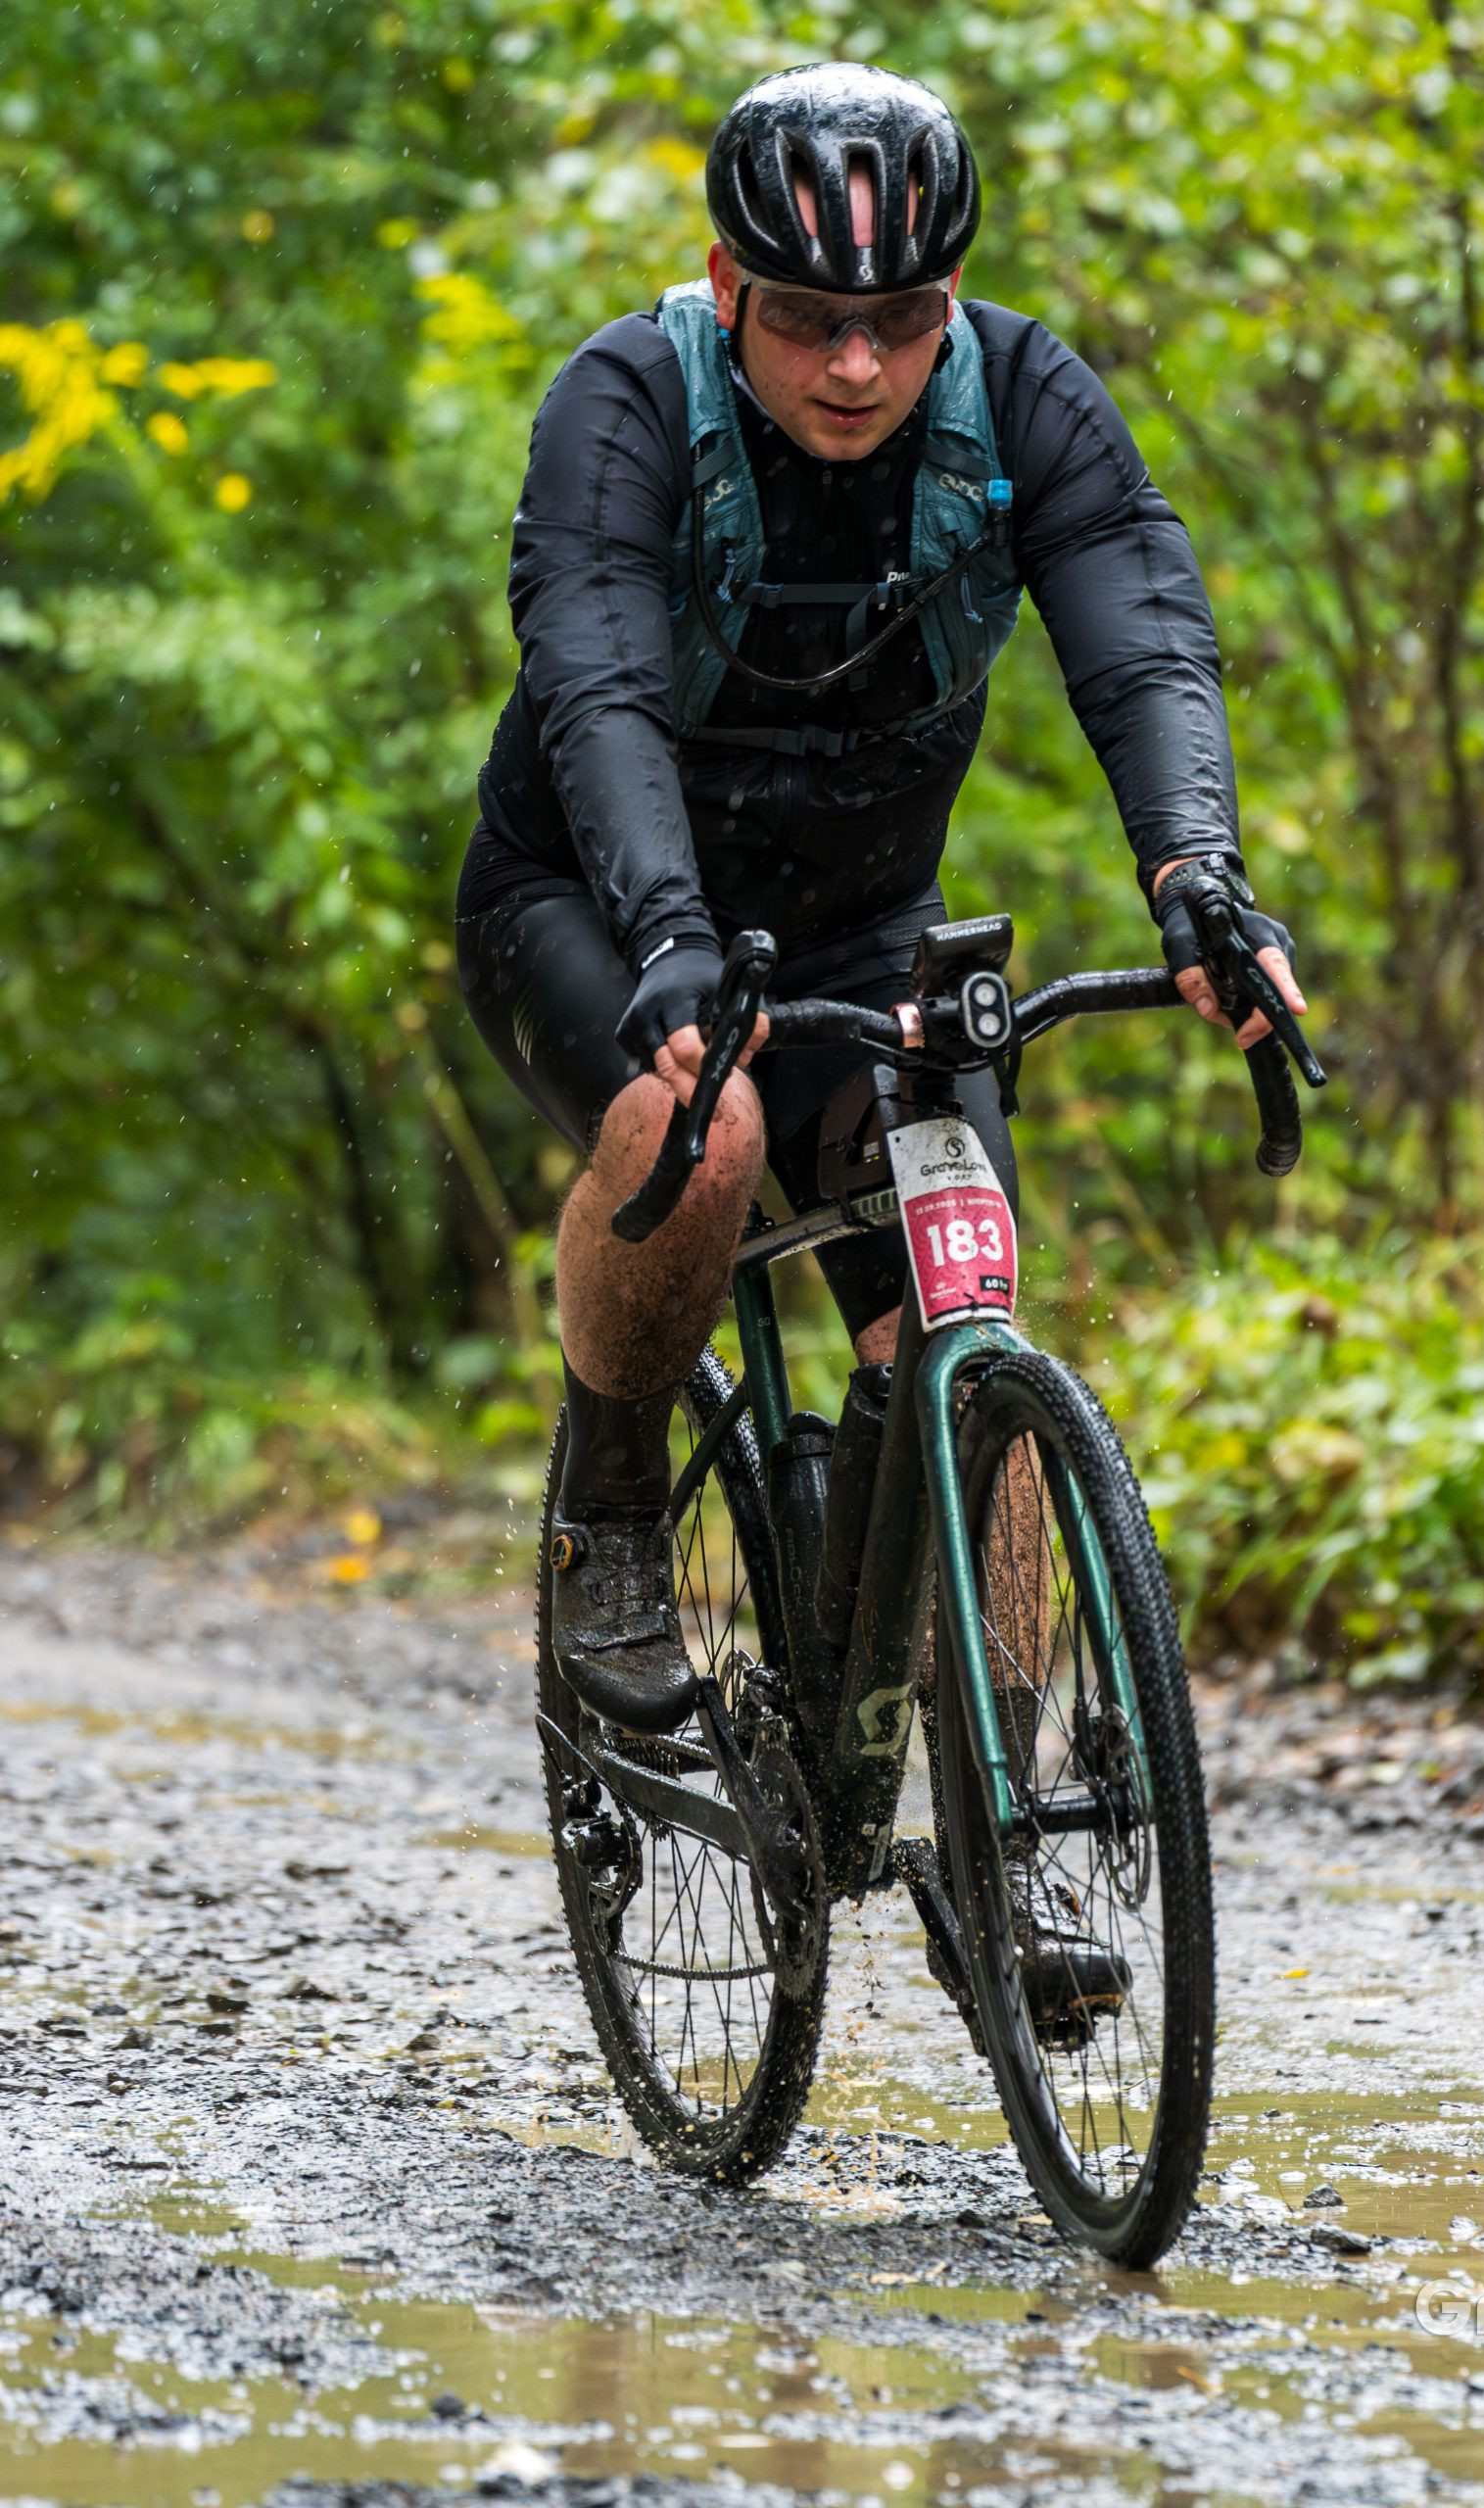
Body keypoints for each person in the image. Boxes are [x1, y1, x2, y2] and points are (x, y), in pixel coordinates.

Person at [458, 64, 1307, 1740]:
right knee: (702, 1135)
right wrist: (669, 933)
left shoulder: (1027, 400)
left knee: (956, 1303)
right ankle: (609, 1510)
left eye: (902, 320)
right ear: (728, 285)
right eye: (805, 321)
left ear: (952, 296)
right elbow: (598, 685)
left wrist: (1197, 875)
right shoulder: (627, 402)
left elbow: (1141, 637)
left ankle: (1001, 1782)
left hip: (861, 931)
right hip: (593, 906)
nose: (856, 367)